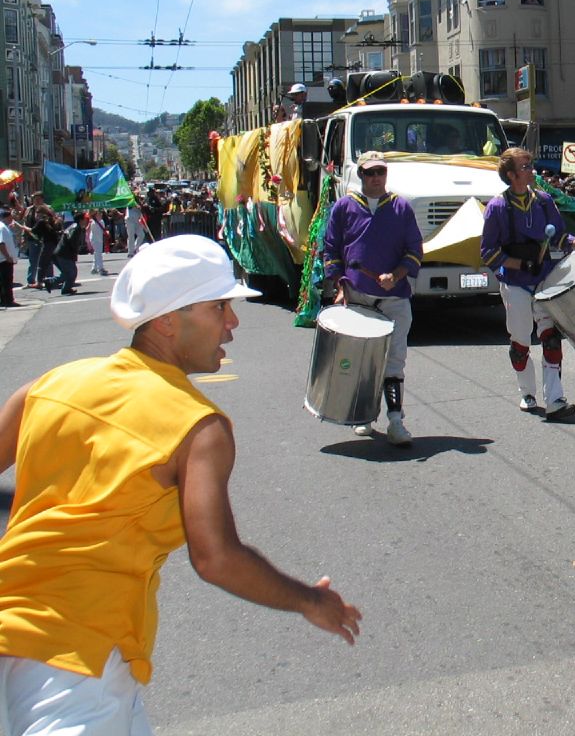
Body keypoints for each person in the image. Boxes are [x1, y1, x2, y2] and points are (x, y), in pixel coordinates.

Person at [0, 235, 361, 734]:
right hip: (78, 658)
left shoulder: (46, 386)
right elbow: (215, 557)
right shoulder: (198, 427)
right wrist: (310, 600)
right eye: (219, 307)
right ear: (169, 320)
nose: (233, 323)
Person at [323, 151, 423, 447]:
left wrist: (397, 274)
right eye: (370, 173)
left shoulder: (401, 207)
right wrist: (340, 284)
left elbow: (415, 250)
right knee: (362, 362)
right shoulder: (343, 207)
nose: (376, 177)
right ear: (361, 175)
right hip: (358, 296)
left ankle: (395, 421)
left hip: (395, 297)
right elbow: (331, 251)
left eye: (380, 172)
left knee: (394, 361)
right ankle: (363, 415)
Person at [481, 147, 575, 420]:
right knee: (521, 342)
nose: (531, 171)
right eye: (525, 167)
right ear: (512, 175)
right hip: (516, 283)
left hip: (545, 280)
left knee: (550, 339)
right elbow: (489, 253)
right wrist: (522, 264)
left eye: (530, 165)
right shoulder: (497, 207)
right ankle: (527, 393)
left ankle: (555, 400)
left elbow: (560, 238)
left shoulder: (544, 201)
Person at [43, 213, 86, 296]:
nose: (86, 220)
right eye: (84, 219)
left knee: (70, 273)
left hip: (64, 253)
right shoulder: (76, 228)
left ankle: (64, 288)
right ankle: (51, 282)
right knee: (71, 273)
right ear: (81, 220)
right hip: (64, 253)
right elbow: (71, 240)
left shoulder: (75, 226)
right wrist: (76, 248)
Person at [0, 209, 18, 308]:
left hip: (4, 259)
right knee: (6, 281)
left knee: (4, 281)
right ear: (7, 217)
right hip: (4, 259)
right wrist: (7, 256)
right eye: (11, 216)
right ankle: (8, 300)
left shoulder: (4, 227)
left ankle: (5, 300)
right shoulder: (2, 227)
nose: (12, 218)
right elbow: (1, 243)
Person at [87, 209, 108, 276]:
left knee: (97, 254)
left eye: (101, 213)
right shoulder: (92, 222)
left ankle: (94, 268)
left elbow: (103, 230)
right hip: (94, 240)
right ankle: (101, 268)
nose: (101, 215)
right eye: (99, 214)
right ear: (95, 215)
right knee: (98, 254)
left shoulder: (102, 221)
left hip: (100, 239)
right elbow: (87, 230)